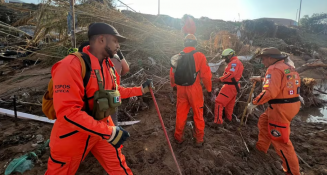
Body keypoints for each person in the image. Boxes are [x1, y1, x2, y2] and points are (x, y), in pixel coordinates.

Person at [45, 22, 153, 175]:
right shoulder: (70, 65)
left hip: (101, 131)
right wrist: (109, 132)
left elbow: (115, 92)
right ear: (101, 40)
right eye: (115, 41)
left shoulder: (108, 66)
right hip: (71, 137)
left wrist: (141, 90)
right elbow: (68, 112)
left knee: (119, 167)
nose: (118, 46)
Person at [247, 47, 301, 175]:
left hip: (280, 109)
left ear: (271, 58)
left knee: (281, 142)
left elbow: (270, 91)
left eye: (263, 59)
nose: (263, 62)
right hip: (292, 105)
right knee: (264, 121)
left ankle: (292, 172)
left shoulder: (273, 69)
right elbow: (280, 81)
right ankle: (261, 150)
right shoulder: (286, 67)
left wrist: (254, 103)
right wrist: (261, 78)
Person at [170, 34, 212, 146]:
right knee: (198, 114)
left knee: (181, 114)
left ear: (184, 43)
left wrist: (173, 85)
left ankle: (178, 137)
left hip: (180, 89)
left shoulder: (178, 56)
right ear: (195, 44)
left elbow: (172, 73)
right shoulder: (200, 56)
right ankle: (199, 139)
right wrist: (209, 89)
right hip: (195, 89)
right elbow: (206, 75)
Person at [79, 41, 130, 125]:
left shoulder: (85, 47)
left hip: (91, 100)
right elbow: (126, 68)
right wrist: (116, 77)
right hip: (112, 96)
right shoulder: (113, 50)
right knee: (111, 126)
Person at [213, 49, 244, 124]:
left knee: (219, 103)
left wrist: (220, 79)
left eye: (225, 57)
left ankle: (217, 122)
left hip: (230, 86)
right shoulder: (237, 62)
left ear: (230, 55)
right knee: (229, 105)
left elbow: (231, 74)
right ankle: (228, 119)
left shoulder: (234, 63)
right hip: (234, 86)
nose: (224, 59)